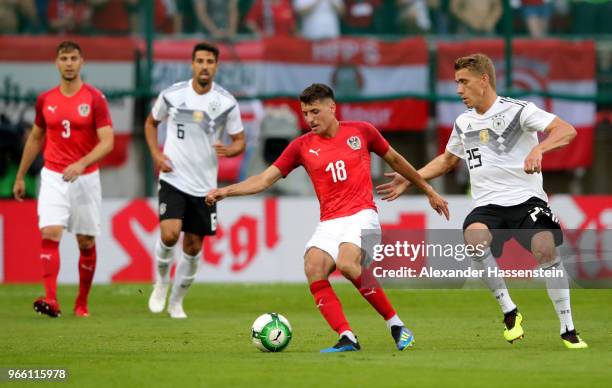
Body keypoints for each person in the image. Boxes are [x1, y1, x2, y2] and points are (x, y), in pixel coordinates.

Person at [206, 83, 449, 352]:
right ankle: (347, 336)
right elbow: (264, 179)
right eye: (305, 113)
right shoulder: (301, 146)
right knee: (313, 266)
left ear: (332, 108)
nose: (309, 119)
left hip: (362, 214)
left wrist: (427, 189)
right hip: (330, 221)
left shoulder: (362, 131)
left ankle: (397, 325)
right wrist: (226, 191)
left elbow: (395, 159)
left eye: (315, 111)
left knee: (346, 264)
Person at [376, 53, 588, 349]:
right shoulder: (463, 122)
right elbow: (448, 160)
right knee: (474, 239)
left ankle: (568, 328)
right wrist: (411, 177)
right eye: (456, 83)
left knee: (545, 248)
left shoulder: (518, 111)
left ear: (484, 80)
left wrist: (540, 149)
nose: (459, 90)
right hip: (488, 206)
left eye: (464, 82)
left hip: (526, 201)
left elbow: (566, 130)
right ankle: (510, 312)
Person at [12, 40, 114, 318]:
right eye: (64, 58)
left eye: (73, 58)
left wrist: (82, 163)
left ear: (82, 63)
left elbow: (108, 142)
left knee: (85, 242)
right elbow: (35, 137)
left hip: (86, 179)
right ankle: (51, 299)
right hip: (54, 176)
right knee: (50, 233)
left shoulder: (94, 99)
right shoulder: (46, 99)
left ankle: (81, 303)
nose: (68, 63)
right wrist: (21, 175)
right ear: (56, 63)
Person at [145, 42, 245, 319]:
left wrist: (231, 149)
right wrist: (156, 154)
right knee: (169, 233)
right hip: (173, 177)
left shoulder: (226, 103)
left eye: (209, 62)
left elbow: (239, 140)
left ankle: (177, 302)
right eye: (200, 61)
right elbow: (151, 123)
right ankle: (161, 282)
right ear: (192, 64)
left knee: (193, 246)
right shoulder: (173, 95)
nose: (204, 66)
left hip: (205, 186)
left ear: (216, 66)